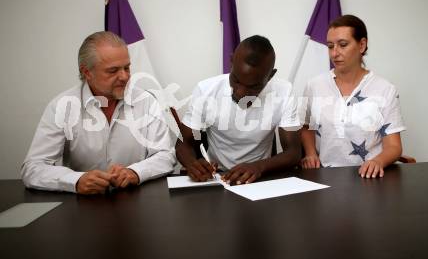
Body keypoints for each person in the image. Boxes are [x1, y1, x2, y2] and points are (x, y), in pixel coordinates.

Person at [21, 31, 175, 194]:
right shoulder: (62, 106)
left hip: (137, 202)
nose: (124, 76)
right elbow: (33, 167)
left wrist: (135, 172)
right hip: (83, 207)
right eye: (113, 70)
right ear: (87, 72)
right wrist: (76, 180)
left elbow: (165, 156)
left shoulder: (146, 101)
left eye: (127, 67)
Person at [176, 35, 301, 185]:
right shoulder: (206, 90)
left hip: (261, 176)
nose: (240, 93)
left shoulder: (284, 92)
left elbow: (293, 153)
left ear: (270, 76)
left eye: (253, 86)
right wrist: (192, 164)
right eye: (236, 80)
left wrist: (260, 167)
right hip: (217, 176)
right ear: (231, 61)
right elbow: (183, 143)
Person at [300, 15, 405, 178]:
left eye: (342, 45)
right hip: (324, 176)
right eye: (330, 46)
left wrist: (378, 161)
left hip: (368, 177)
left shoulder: (385, 89)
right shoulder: (314, 85)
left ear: (362, 45)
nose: (335, 53)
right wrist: (310, 153)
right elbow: (306, 126)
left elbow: (394, 146)